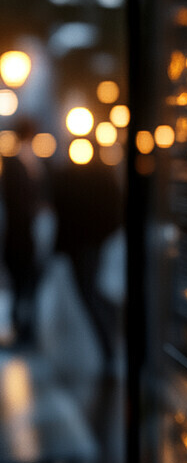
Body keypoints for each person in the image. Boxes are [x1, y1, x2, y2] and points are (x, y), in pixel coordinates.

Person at [50, 151, 123, 373]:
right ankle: (108, 347)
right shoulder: (75, 175)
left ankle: (109, 348)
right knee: (91, 294)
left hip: (86, 244)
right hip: (83, 244)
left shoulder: (97, 175)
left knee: (91, 295)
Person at [1, 117, 50, 347]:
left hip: (28, 234)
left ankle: (25, 328)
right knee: (22, 282)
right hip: (19, 235)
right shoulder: (15, 163)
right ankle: (21, 327)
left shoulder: (31, 161)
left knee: (27, 283)